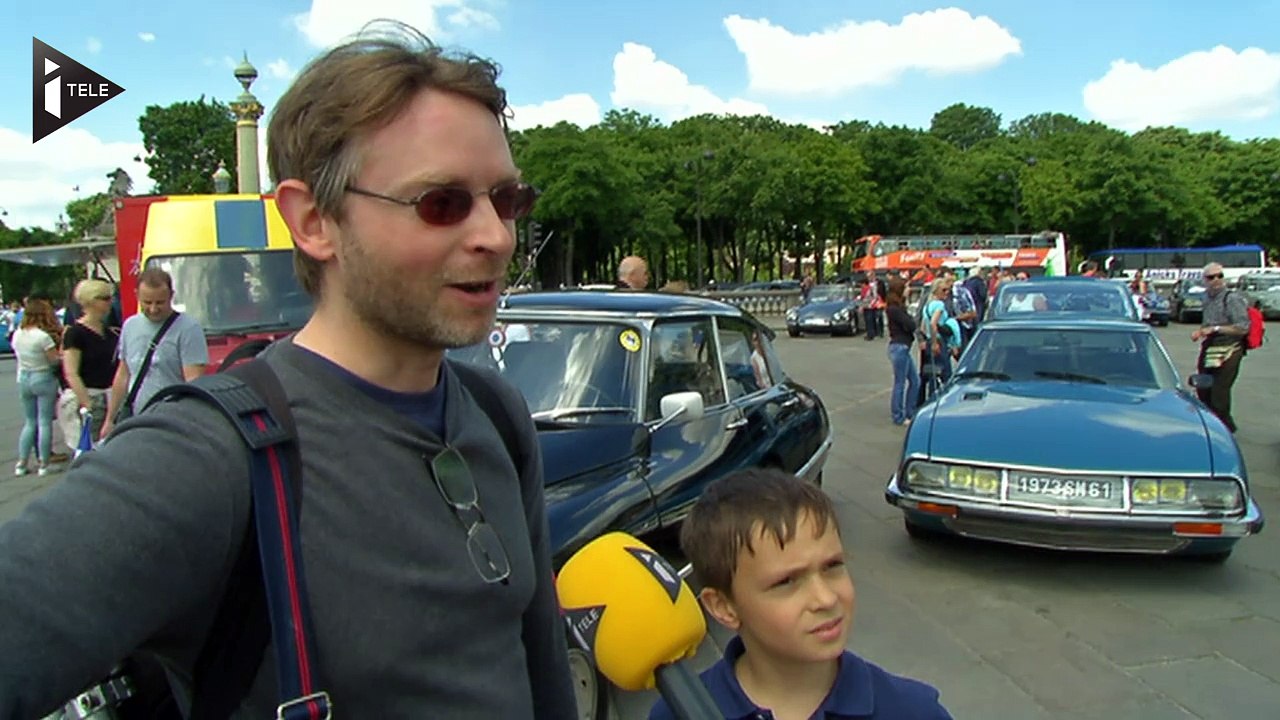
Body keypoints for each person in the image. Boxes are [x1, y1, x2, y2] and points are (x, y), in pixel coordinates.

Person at [0, 21, 576, 719]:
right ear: (313, 222)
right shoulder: (208, 456)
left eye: (507, 200)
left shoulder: (496, 410)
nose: (495, 235)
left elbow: (540, 664)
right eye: (442, 203)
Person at [649, 468, 953, 720]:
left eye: (833, 566)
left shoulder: (914, 711)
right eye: (786, 582)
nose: (825, 599)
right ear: (723, 607)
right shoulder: (679, 712)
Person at [101, 268, 208, 437]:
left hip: (173, 420)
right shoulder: (130, 326)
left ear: (171, 296)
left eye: (160, 302)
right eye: (147, 302)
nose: (153, 309)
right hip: (137, 419)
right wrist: (110, 419)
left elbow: (194, 382)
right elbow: (123, 375)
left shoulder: (188, 328)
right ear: (137, 295)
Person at [58, 279, 119, 449]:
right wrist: (87, 403)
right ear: (91, 300)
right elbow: (71, 372)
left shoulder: (111, 333)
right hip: (88, 397)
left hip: (110, 397)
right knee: (87, 449)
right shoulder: (75, 333)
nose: (110, 302)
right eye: (105, 298)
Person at [1192, 262, 1250, 432]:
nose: (1216, 280)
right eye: (1211, 277)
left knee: (1219, 394)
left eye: (1220, 276)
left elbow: (1242, 327)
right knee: (1203, 388)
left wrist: (1216, 329)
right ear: (1205, 280)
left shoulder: (1232, 298)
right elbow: (1207, 323)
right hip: (1210, 346)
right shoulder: (1206, 298)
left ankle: (1225, 430)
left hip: (1230, 348)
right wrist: (1202, 332)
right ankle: (1210, 426)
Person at [11, 298, 62, 476]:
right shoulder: (43, 337)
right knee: (44, 422)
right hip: (43, 377)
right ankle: (44, 464)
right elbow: (54, 360)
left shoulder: (18, 334)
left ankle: (22, 463)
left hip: (24, 377)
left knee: (30, 422)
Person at [885, 280, 920, 426]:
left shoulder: (899, 307)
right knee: (900, 382)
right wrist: (911, 322)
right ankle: (898, 415)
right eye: (906, 287)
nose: (909, 289)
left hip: (903, 346)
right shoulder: (894, 309)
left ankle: (910, 411)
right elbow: (910, 324)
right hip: (899, 347)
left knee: (915, 381)